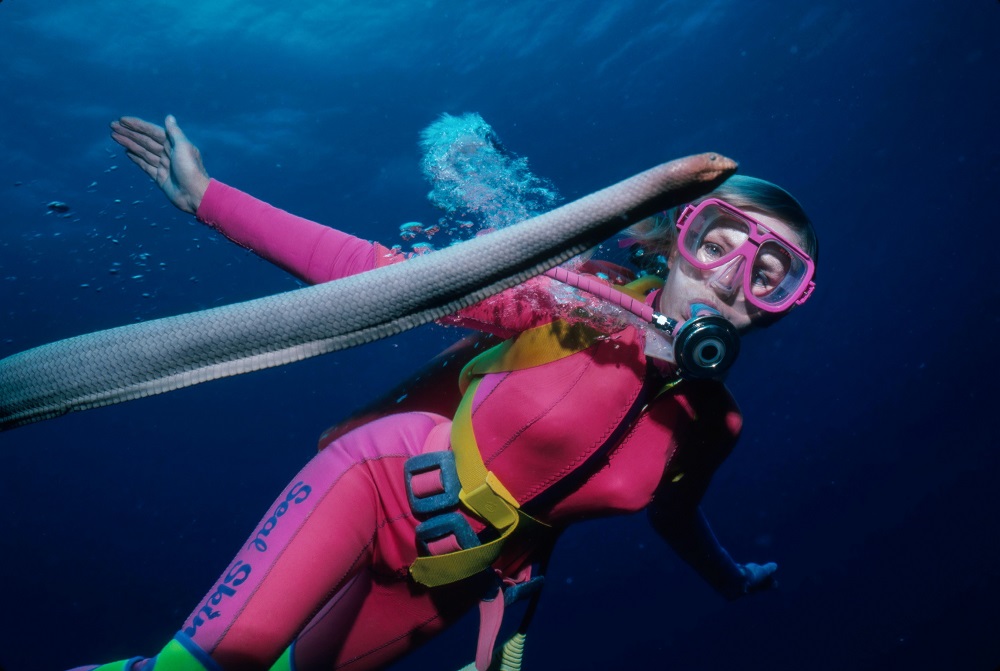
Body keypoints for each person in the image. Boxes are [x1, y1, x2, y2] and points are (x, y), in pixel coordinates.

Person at [75, 115, 818, 671]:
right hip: (379, 486)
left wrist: (731, 578)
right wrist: (208, 198)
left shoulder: (713, 427)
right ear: (675, 242)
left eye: (767, 275)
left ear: (780, 306)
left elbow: (677, 516)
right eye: (715, 245)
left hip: (456, 579)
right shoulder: (576, 300)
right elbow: (380, 278)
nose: (728, 281)